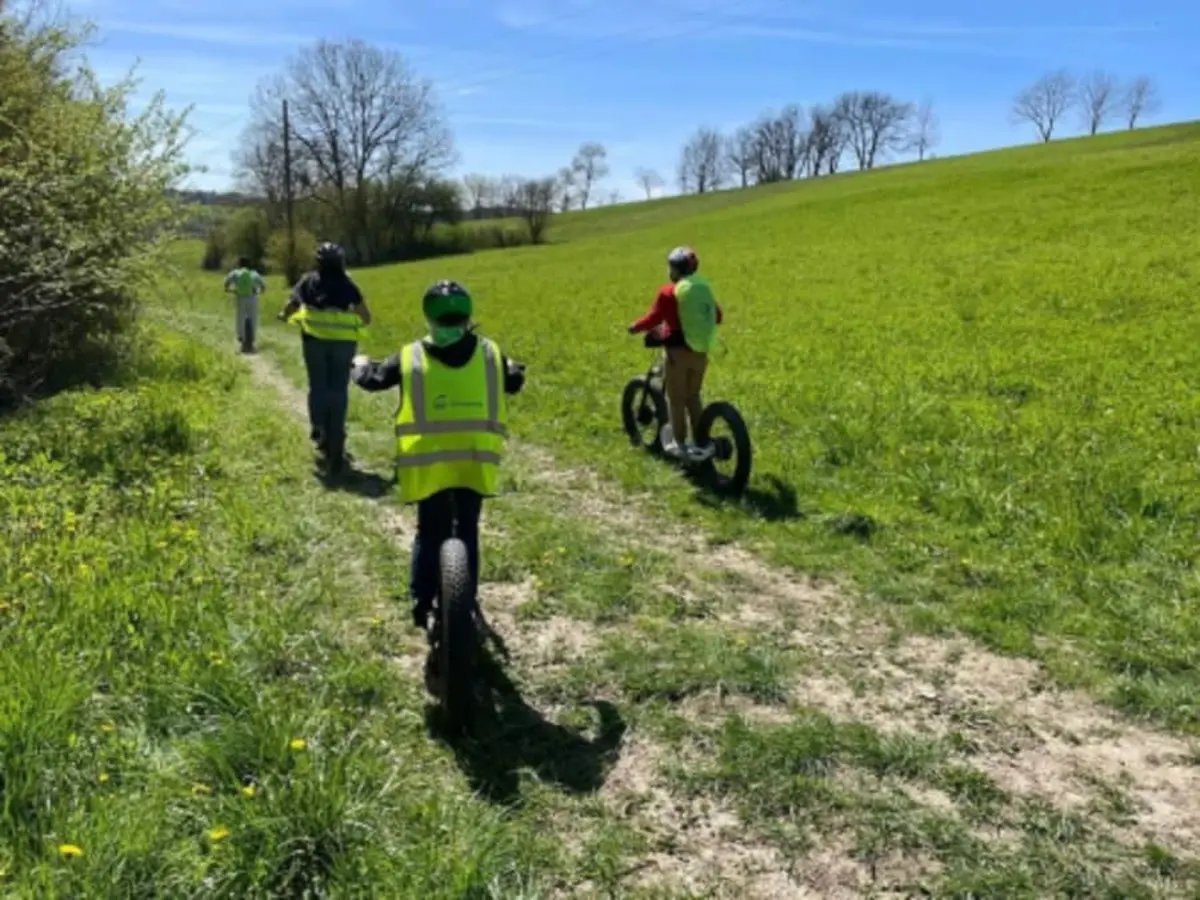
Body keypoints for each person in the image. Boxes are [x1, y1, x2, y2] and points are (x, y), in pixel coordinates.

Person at [350, 279, 526, 630]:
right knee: (469, 529)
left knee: (430, 532)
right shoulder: (491, 352)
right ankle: (467, 597)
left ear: (428, 316)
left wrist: (359, 365)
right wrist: (516, 368)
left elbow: (372, 380)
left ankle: (421, 601)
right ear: (468, 314)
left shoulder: (409, 355)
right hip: (476, 460)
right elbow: (514, 381)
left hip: (427, 463)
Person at [275, 242, 371, 472]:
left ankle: (319, 426)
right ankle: (337, 431)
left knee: (318, 386)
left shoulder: (308, 281)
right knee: (339, 388)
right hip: (344, 344)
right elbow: (366, 317)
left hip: (314, 342)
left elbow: (292, 305)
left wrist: (283, 315)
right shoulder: (349, 284)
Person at [628, 245, 723, 461]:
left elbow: (653, 318)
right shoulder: (702, 289)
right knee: (693, 396)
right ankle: (701, 441)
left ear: (675, 270)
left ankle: (681, 446)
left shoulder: (668, 293)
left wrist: (635, 327)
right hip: (701, 352)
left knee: (676, 399)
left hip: (677, 354)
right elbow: (717, 316)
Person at [223, 256, 266, 352]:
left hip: (240, 298)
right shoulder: (254, 274)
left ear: (239, 264)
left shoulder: (235, 273)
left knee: (240, 317)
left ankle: (241, 337)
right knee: (253, 317)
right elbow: (263, 286)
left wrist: (232, 290)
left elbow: (226, 284)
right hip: (252, 298)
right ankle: (252, 340)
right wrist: (258, 291)